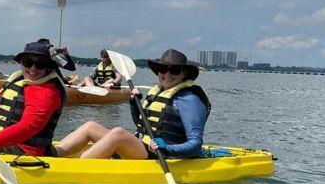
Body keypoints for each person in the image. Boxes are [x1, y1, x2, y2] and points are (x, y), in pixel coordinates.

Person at [55, 49, 211, 159]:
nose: (167, 74)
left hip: (160, 154)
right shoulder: (158, 91)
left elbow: (196, 144)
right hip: (141, 147)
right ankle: (52, 154)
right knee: (91, 126)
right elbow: (140, 124)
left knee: (118, 133)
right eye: (163, 69)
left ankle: (80, 165)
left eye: (174, 71)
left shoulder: (190, 99)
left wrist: (167, 148)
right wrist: (133, 103)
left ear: (184, 73)